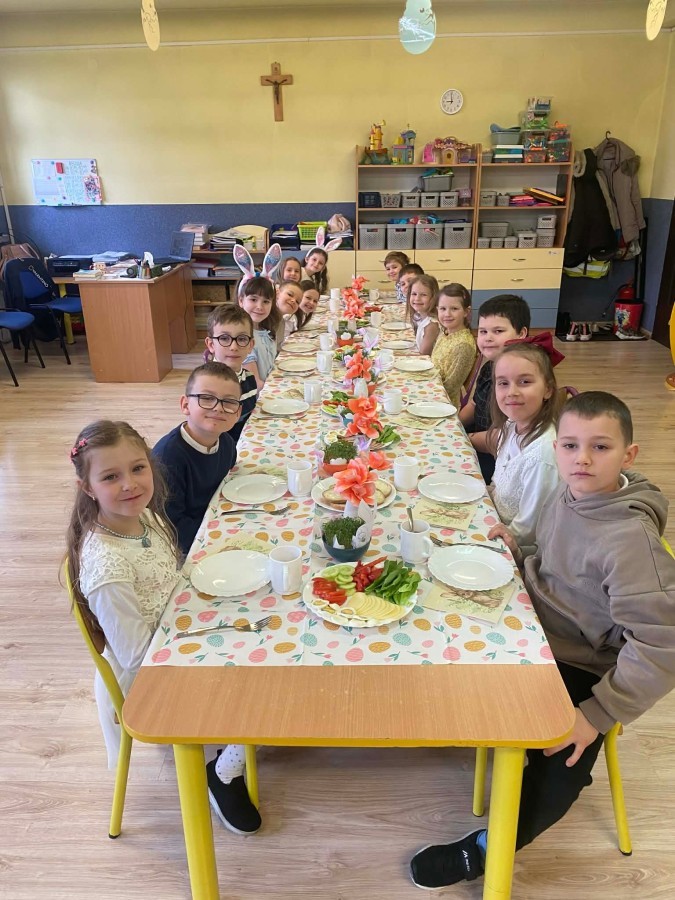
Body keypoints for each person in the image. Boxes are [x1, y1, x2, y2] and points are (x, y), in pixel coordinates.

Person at [410, 391, 675, 890]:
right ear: (557, 449)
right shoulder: (570, 493)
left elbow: (664, 644)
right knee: (430, 630)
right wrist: (522, 548)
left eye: (600, 447)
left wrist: (596, 713)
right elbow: (557, 556)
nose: (582, 459)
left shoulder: (631, 542)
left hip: (580, 660)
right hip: (532, 623)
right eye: (571, 446)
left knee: (560, 769)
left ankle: (488, 847)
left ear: (629, 455)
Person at [66, 421, 261, 835]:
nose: (130, 484)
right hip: (152, 673)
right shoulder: (107, 565)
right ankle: (222, 772)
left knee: (271, 628)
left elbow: (168, 576)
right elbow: (139, 658)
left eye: (138, 468)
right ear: (88, 488)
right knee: (263, 685)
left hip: (176, 632)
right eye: (110, 477)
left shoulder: (144, 517)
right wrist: (215, 643)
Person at [152, 362, 240, 556]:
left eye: (229, 402)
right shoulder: (167, 458)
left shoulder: (226, 442)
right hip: (186, 546)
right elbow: (172, 527)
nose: (218, 408)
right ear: (185, 405)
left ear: (238, 413)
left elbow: (230, 473)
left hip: (215, 519)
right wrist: (223, 535)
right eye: (206, 398)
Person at [486, 340, 563, 557]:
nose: (512, 392)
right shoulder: (511, 426)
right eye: (503, 383)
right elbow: (499, 483)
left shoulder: (542, 455)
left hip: (519, 550)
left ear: (548, 389)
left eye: (525, 382)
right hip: (494, 517)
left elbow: (528, 530)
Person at [459, 294, 530, 483]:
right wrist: (454, 426)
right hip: (477, 440)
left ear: (521, 333)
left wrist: (463, 439)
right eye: (483, 331)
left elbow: (504, 437)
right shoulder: (489, 366)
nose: (488, 338)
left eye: (498, 331)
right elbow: (474, 405)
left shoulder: (522, 380)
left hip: (498, 459)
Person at [204, 304, 258, 443]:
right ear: (211, 345)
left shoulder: (249, 378)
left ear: (250, 345)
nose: (234, 347)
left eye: (242, 339)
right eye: (224, 338)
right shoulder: (205, 387)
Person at [430, 283, 477, 408]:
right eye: (442, 309)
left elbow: (450, 388)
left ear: (466, 312)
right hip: (431, 387)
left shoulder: (463, 345)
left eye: (454, 309)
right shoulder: (445, 332)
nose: (447, 314)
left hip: (442, 403)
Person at [238, 275, 281, 388]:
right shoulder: (242, 338)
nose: (260, 306)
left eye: (266, 301)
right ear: (241, 301)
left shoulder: (266, 331)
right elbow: (255, 384)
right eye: (253, 299)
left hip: (269, 386)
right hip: (258, 394)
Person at [406, 274, 440, 356]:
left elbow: (423, 355)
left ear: (433, 297)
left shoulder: (431, 325)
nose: (417, 299)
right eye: (414, 294)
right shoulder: (419, 316)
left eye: (423, 295)